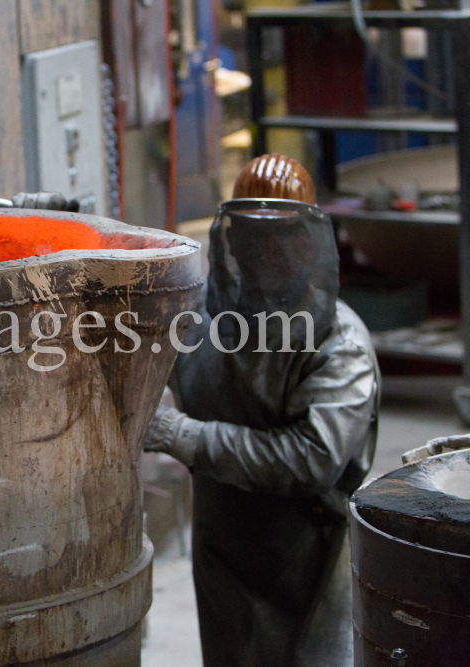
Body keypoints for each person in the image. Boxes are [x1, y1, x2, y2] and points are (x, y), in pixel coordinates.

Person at [144, 154, 380, 667]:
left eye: (282, 235)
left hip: (308, 564)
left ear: (307, 240)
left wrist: (182, 435)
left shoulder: (339, 343)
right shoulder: (200, 319)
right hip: (223, 553)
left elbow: (312, 460)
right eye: (253, 235)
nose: (266, 251)